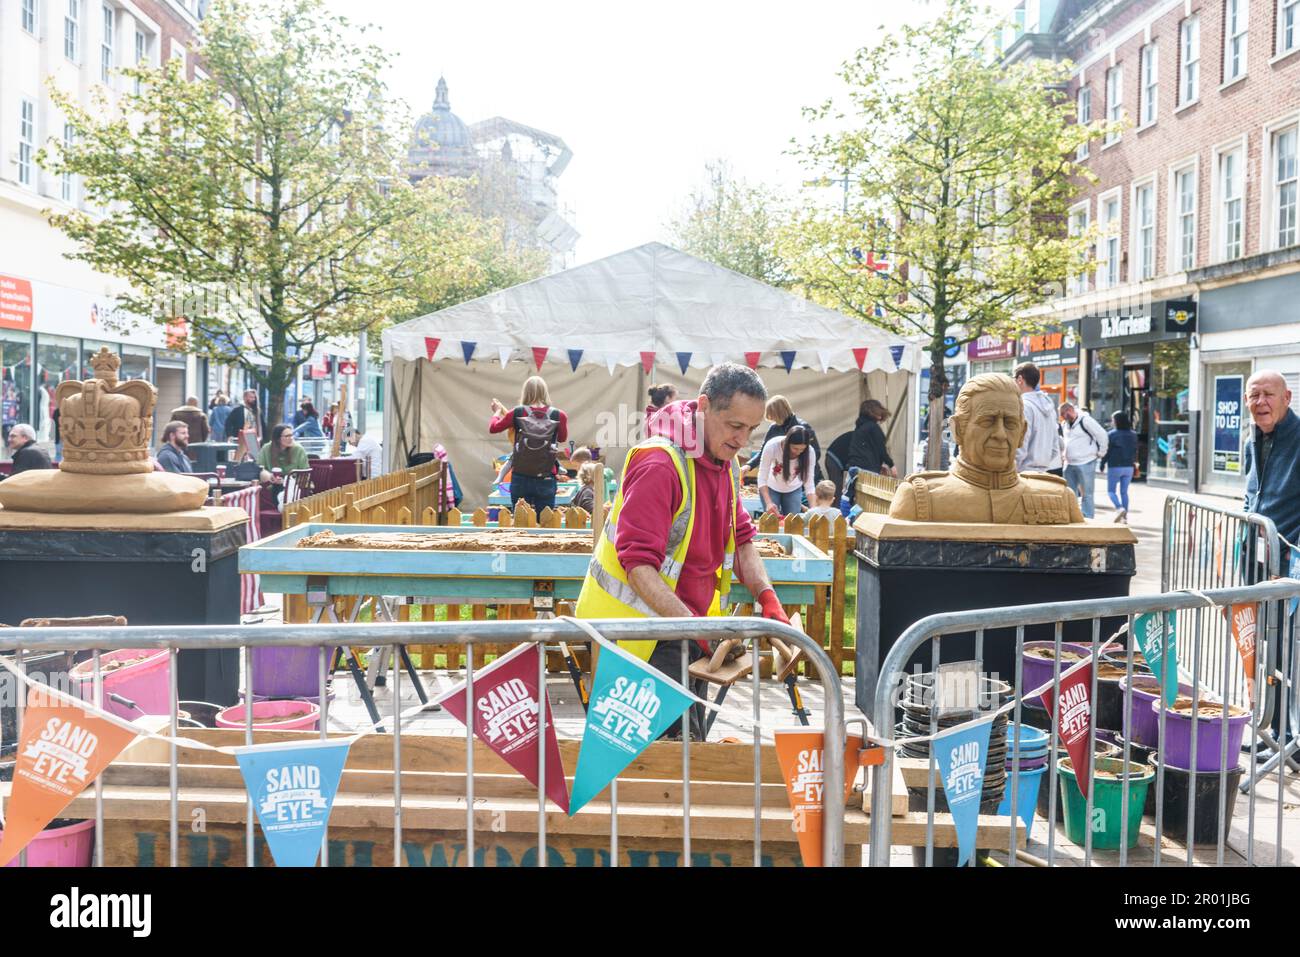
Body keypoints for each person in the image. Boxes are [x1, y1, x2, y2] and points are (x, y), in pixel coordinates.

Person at [575, 362, 788, 741]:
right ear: (704, 406)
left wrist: (768, 598)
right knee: (649, 774)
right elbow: (639, 567)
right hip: (638, 644)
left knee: (684, 766)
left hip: (686, 635)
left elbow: (740, 540)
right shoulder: (660, 464)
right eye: (735, 426)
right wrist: (699, 629)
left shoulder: (725, 460)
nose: (743, 439)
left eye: (752, 429)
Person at [890, 374, 1083, 524]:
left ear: (1022, 433)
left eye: (1010, 423)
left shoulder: (1061, 498)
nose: (1000, 434)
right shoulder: (920, 499)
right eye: (987, 421)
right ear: (958, 430)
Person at [489, 376, 568, 513]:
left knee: (520, 520)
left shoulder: (517, 412)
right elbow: (562, 438)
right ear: (545, 392)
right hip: (546, 476)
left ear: (525, 392)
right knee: (546, 520)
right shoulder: (559, 415)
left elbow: (493, 428)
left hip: (521, 475)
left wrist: (496, 412)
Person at [1243, 370, 1300, 547]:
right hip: (1254, 556)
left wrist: (1296, 550)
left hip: (1289, 560)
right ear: (1246, 400)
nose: (1261, 401)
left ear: (1287, 397)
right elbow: (1250, 494)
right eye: (1254, 395)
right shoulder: (1250, 441)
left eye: (1268, 394)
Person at [746, 395, 822, 482]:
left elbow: (816, 453)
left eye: (773, 416)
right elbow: (763, 452)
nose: (772, 419)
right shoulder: (774, 428)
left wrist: (795, 463)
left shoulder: (803, 428)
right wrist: (749, 465)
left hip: (805, 477)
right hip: (783, 479)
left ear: (779, 413)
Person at [1059, 401, 1108, 520]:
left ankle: (1088, 517)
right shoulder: (1065, 423)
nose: (1063, 418)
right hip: (1069, 463)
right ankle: (1073, 516)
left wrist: (1102, 452)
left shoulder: (1085, 420)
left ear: (1070, 411)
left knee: (1087, 493)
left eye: (1064, 414)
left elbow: (1102, 434)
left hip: (1086, 462)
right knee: (1070, 494)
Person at [1013, 362, 1062, 475]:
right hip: (1043, 473)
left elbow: (1020, 445)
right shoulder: (1050, 408)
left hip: (1022, 474)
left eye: (1013, 378)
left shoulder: (1023, 406)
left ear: (1020, 379)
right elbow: (1055, 448)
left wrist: (1013, 468)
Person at [758, 425, 816, 517]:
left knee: (793, 522)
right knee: (772, 520)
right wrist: (769, 503)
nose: (798, 452)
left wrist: (813, 508)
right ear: (787, 443)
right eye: (795, 448)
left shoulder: (810, 452)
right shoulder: (772, 446)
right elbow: (762, 477)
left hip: (794, 488)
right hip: (771, 487)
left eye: (802, 449)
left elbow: (809, 483)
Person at [258, 424, 309, 506]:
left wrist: (286, 482)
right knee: (272, 488)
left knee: (281, 491)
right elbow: (260, 468)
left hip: (294, 487)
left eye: (292, 435)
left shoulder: (299, 449)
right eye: (287, 436)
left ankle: (285, 512)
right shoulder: (266, 449)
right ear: (278, 439)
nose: (291, 438)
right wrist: (270, 477)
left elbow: (305, 473)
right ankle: (284, 512)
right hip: (273, 486)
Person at [1104, 411, 1138, 524]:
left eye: (1113, 419)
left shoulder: (1111, 434)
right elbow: (1135, 450)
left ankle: (1119, 508)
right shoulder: (1133, 434)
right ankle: (1124, 517)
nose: (1112, 422)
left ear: (1117, 421)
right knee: (1124, 492)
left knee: (1111, 491)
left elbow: (1107, 451)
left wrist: (1102, 463)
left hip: (1115, 466)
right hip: (1129, 467)